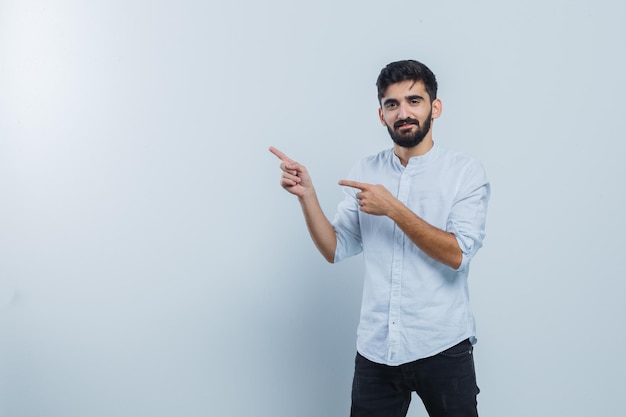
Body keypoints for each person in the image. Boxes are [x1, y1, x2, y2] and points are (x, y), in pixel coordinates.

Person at [269, 59, 490, 417]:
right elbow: (334, 248)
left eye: (414, 101)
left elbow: (457, 255)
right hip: (376, 350)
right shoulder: (366, 170)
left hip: (443, 346)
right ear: (381, 114)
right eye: (392, 104)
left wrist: (393, 208)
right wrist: (307, 196)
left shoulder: (464, 173)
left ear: (435, 107)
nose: (403, 112)